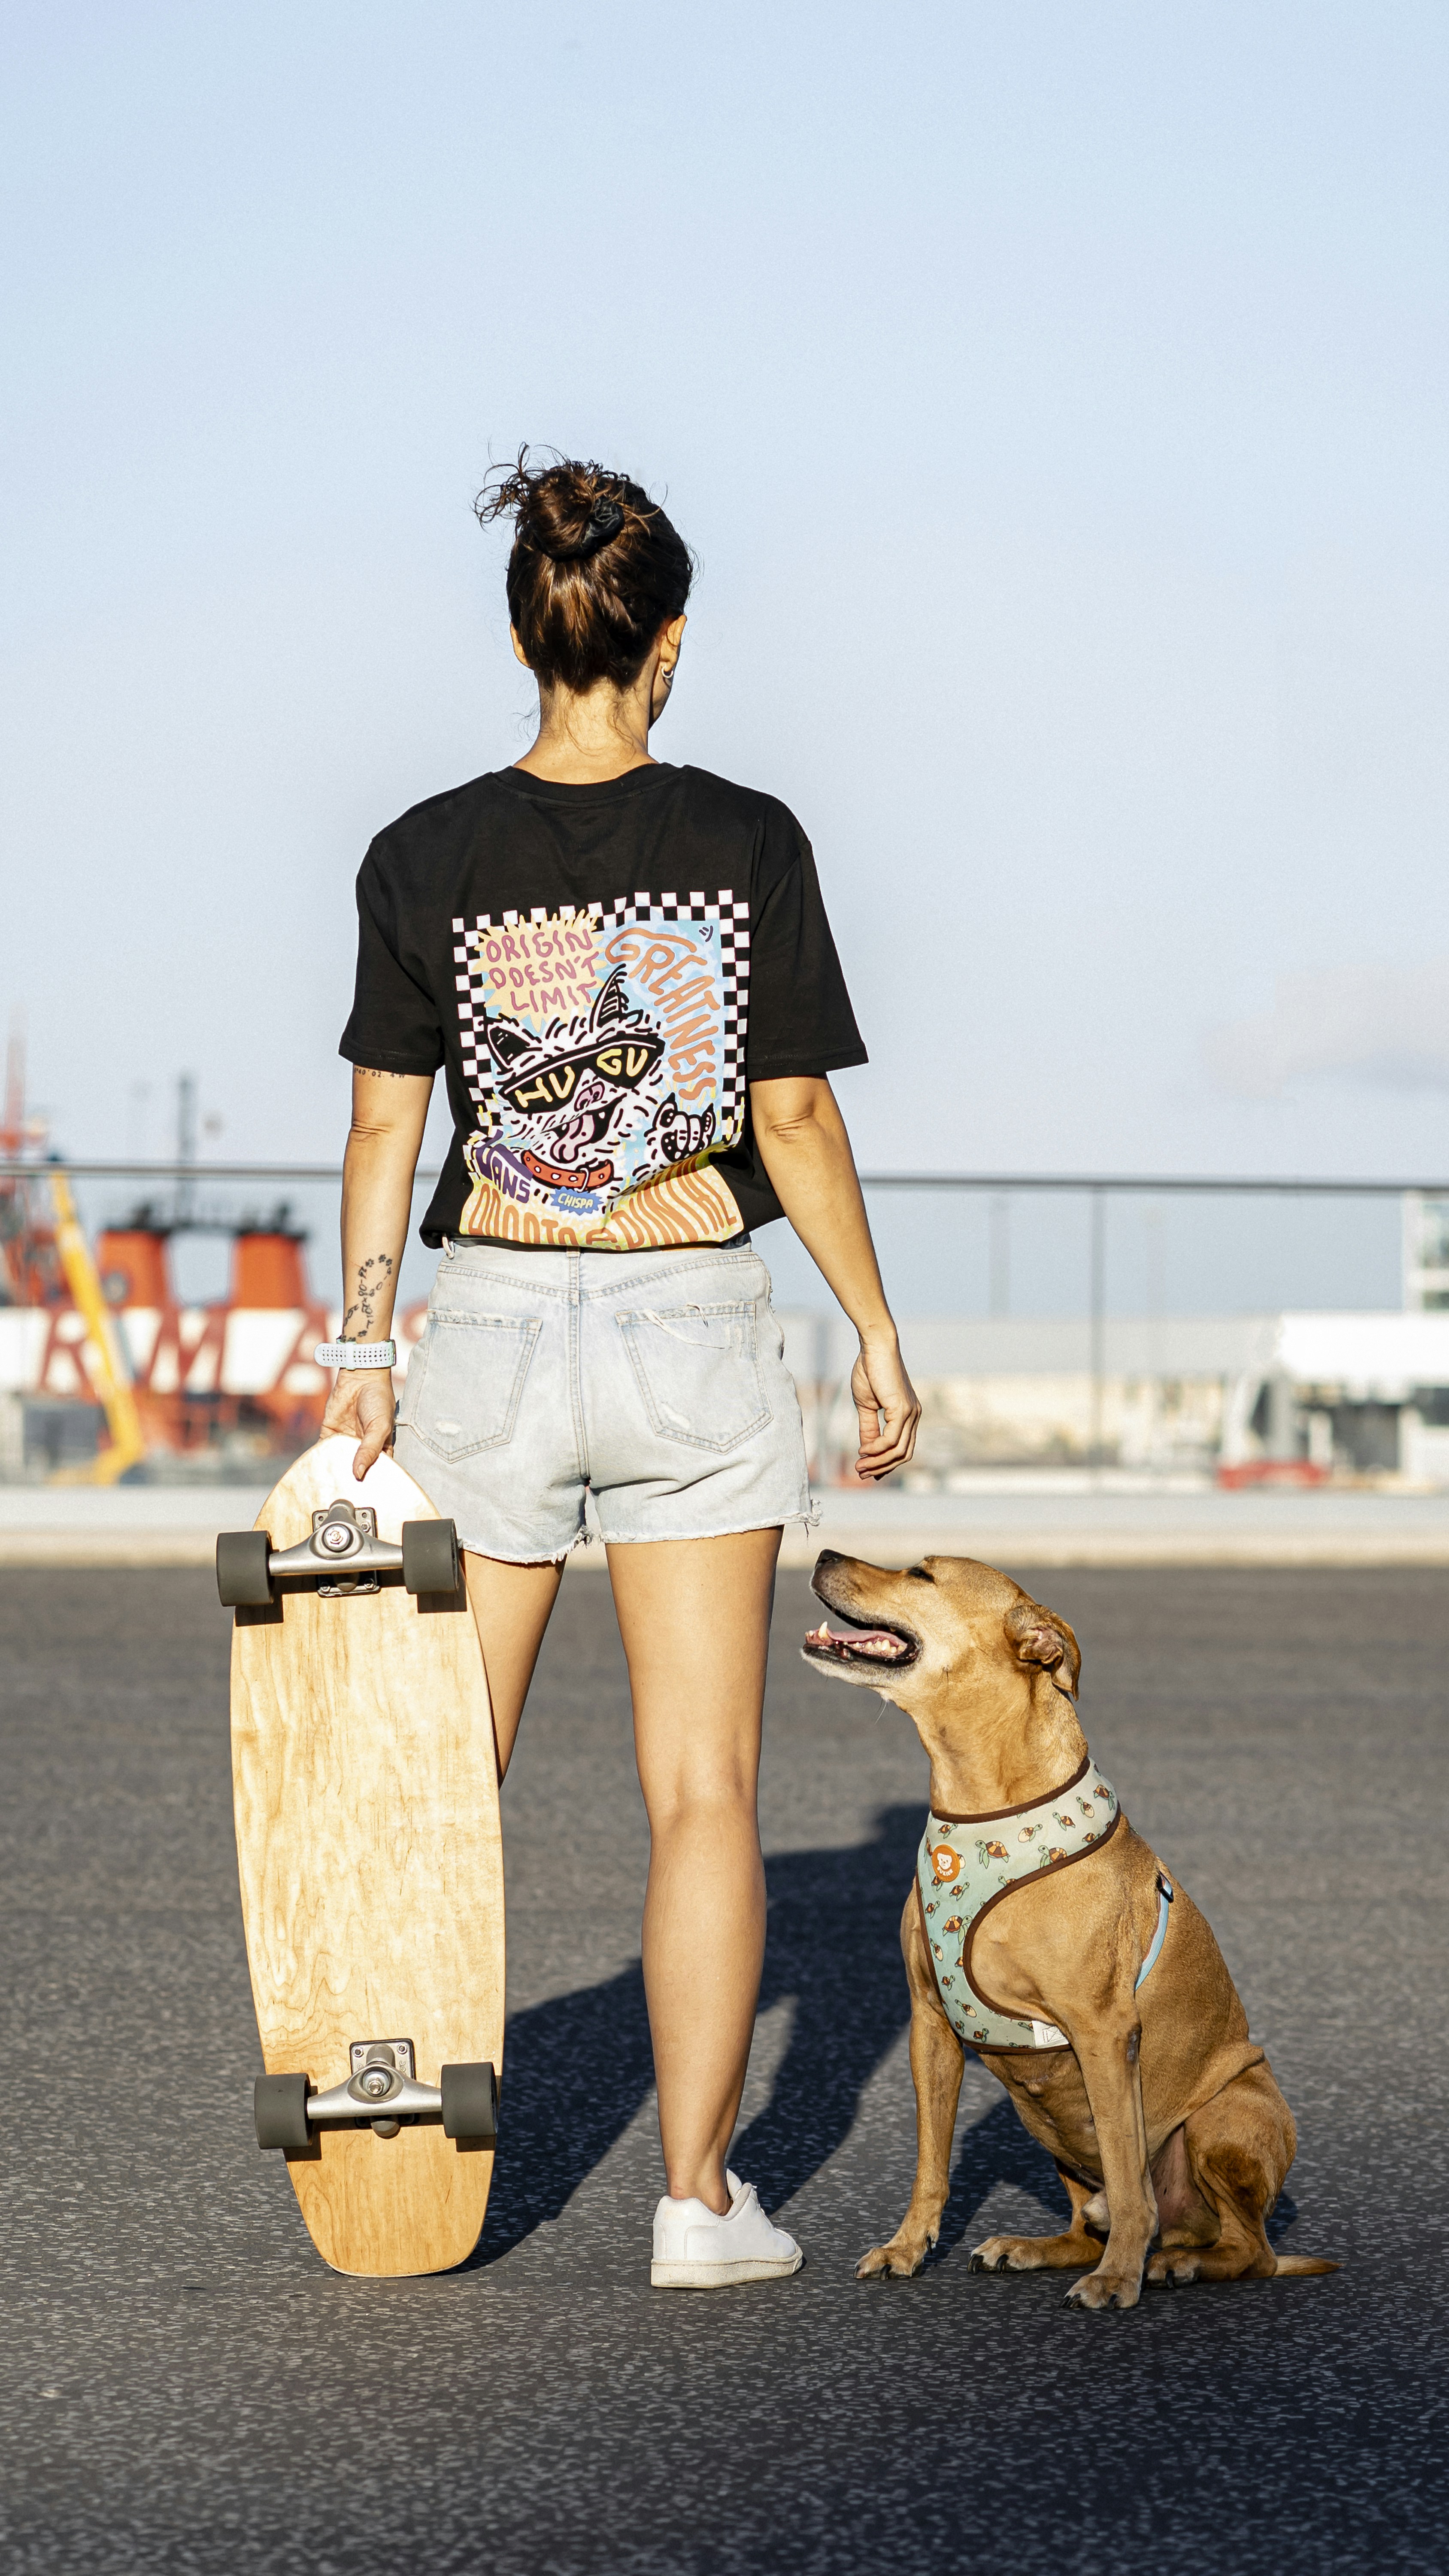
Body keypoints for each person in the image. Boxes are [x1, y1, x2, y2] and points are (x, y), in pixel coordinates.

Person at [323, 452, 920, 2289]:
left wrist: (361, 1352)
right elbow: (792, 1111)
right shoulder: (745, 838)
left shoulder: (423, 851)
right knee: (703, 1795)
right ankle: (693, 2204)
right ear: (662, 648)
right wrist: (877, 1331)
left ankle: (387, 2141)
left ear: (529, 635)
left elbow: (379, 1121)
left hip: (491, 1321)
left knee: (443, 1771)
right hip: (681, 1315)